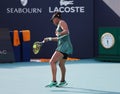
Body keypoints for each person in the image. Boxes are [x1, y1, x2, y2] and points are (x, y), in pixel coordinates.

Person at [44, 12, 73, 87]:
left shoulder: (61, 22)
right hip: (66, 47)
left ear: (56, 18)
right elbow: (59, 39)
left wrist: (59, 33)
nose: (52, 22)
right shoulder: (58, 26)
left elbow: (66, 31)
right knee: (61, 64)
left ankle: (54, 81)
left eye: (52, 20)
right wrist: (49, 39)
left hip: (63, 47)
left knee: (52, 62)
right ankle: (62, 81)